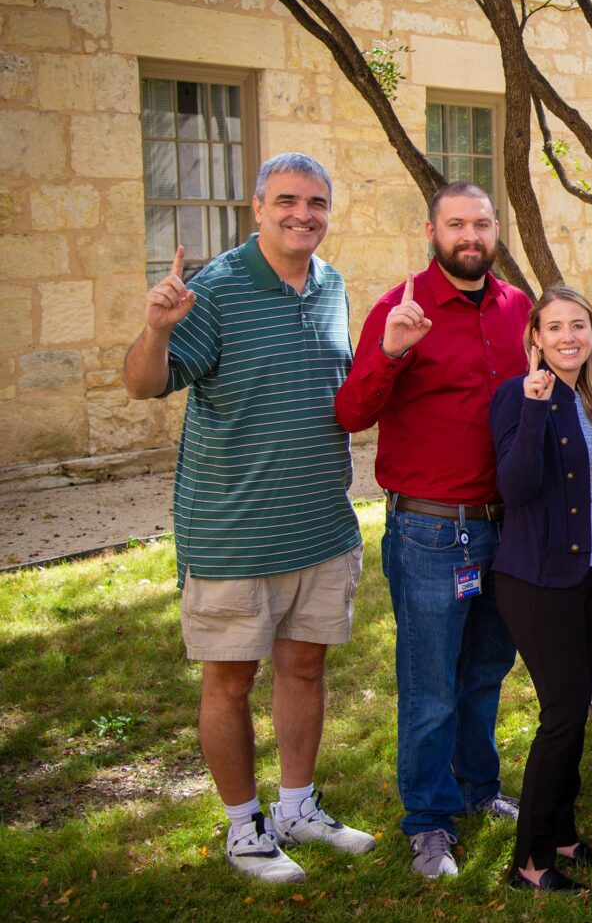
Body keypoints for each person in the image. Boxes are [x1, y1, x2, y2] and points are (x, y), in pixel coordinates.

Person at [123, 152, 373, 882]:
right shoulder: (217, 289)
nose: (303, 214)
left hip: (320, 525)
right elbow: (142, 384)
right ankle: (243, 828)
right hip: (234, 531)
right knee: (229, 681)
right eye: (287, 200)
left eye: (316, 202)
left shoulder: (332, 285)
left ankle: (297, 807)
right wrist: (157, 329)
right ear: (258, 208)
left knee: (305, 666)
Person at [333, 182, 526, 878]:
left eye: (481, 223)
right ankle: (429, 820)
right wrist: (391, 351)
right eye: (456, 224)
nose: (470, 236)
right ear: (431, 231)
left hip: (508, 527)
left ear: (496, 229)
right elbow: (351, 413)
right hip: (431, 531)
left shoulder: (518, 308)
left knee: (485, 672)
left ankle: (476, 789)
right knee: (431, 685)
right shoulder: (400, 309)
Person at [489, 286, 592, 896]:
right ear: (536, 338)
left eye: (579, 325)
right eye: (555, 327)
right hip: (538, 580)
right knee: (562, 716)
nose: (568, 336)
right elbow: (515, 487)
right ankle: (529, 860)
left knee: (573, 712)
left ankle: (564, 832)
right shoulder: (517, 395)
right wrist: (535, 407)